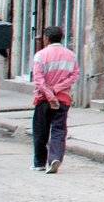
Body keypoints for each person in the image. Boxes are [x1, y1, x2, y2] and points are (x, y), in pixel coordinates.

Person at [31, 25, 78, 174]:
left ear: (46, 38)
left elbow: (38, 80)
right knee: (59, 130)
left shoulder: (40, 55)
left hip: (43, 99)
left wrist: (50, 94)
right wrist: (57, 90)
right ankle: (55, 158)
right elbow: (75, 76)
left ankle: (39, 163)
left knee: (40, 131)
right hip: (63, 99)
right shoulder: (71, 55)